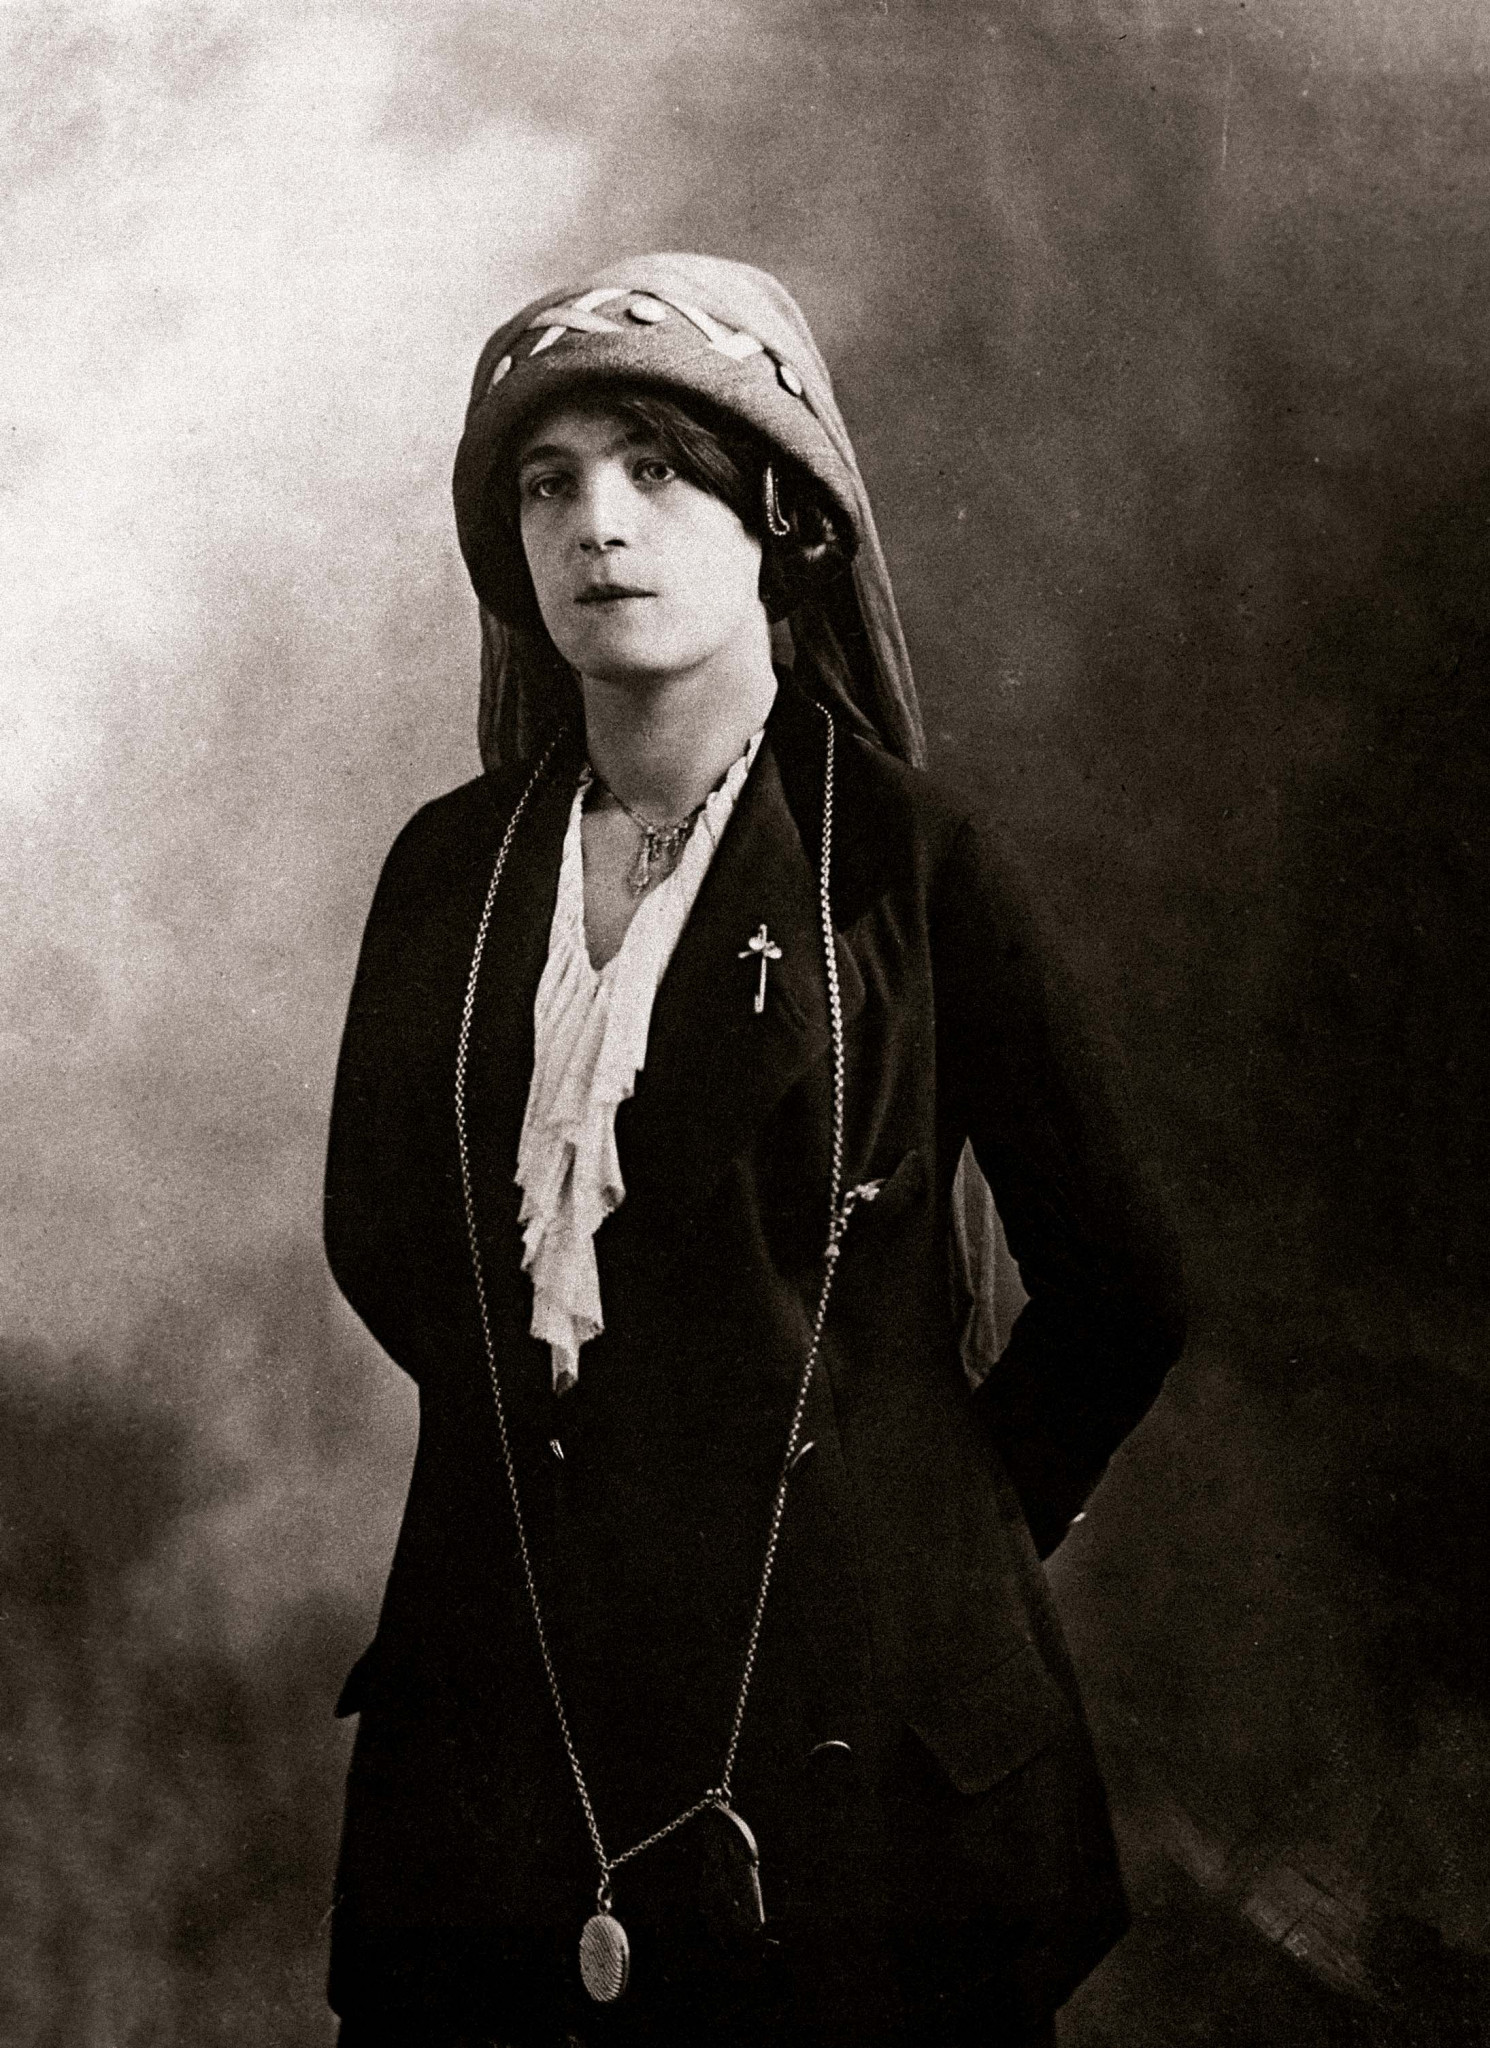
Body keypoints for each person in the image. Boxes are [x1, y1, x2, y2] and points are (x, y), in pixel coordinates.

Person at [323, 253, 1185, 2047]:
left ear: (779, 517)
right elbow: (389, 1243)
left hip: (847, 1746)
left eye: (656, 468)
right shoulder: (448, 877)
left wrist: (914, 1545)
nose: (597, 523)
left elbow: (1123, 1291)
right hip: (512, 1715)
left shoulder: (911, 866)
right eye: (547, 483)